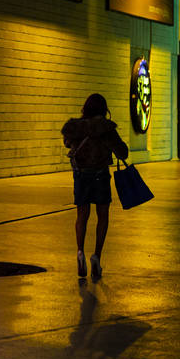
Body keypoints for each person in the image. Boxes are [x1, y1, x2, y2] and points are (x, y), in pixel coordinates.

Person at [62, 93, 129, 280]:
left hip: (81, 176)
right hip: (100, 176)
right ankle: (96, 257)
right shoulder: (106, 129)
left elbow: (67, 142)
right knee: (102, 217)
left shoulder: (76, 127)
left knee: (82, 216)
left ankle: (80, 252)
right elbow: (122, 152)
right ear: (103, 109)